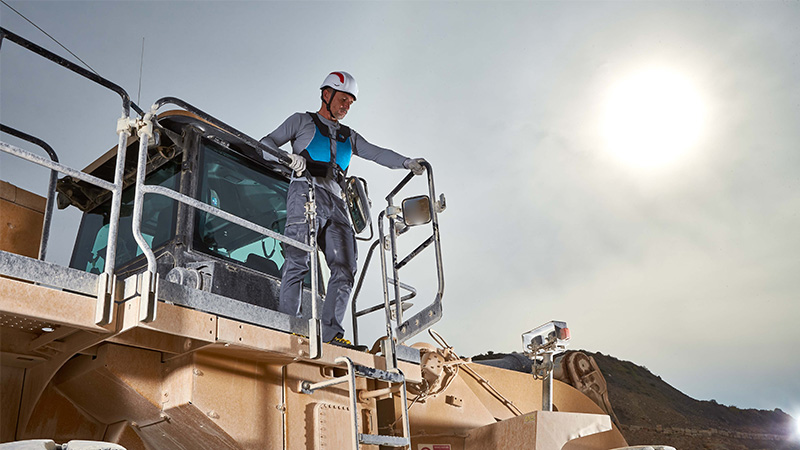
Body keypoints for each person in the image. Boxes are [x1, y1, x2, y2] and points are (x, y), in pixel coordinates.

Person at [260, 71, 424, 346]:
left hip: (337, 203)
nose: (346, 105)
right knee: (299, 258)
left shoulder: (350, 136)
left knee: (345, 267)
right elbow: (264, 144)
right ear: (327, 94)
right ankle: (289, 326)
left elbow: (377, 152)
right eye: (342, 99)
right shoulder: (301, 121)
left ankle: (331, 333)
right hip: (306, 192)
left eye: (351, 102)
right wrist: (288, 158)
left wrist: (407, 162)